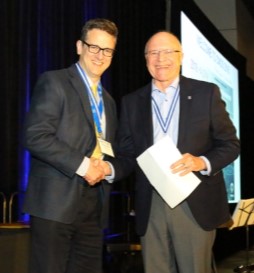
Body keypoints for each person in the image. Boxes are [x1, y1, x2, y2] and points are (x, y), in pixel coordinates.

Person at [106, 31, 240, 273]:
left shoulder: (206, 93)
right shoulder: (131, 101)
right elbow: (127, 153)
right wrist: (108, 167)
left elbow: (230, 144)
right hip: (152, 201)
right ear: (146, 59)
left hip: (194, 200)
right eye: (154, 53)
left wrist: (201, 162)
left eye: (168, 52)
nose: (161, 59)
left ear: (181, 57)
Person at [23, 18, 118, 273]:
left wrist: (105, 168)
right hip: (55, 204)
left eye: (107, 50)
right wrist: (83, 164)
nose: (100, 55)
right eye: (94, 47)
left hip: (93, 206)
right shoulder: (55, 81)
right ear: (79, 46)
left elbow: (105, 146)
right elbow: (35, 136)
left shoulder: (108, 101)